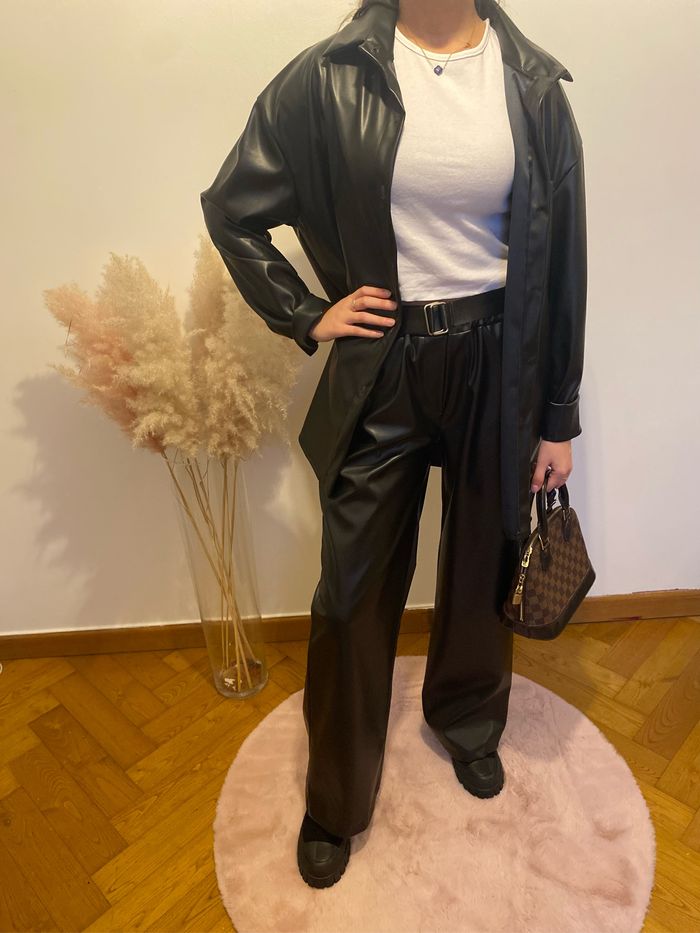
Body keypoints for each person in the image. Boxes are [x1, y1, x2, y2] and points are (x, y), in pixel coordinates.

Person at [201, 0, 587, 890]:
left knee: (485, 555)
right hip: (385, 356)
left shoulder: (532, 83)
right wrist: (306, 313)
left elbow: (564, 256)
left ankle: (468, 717)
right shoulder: (329, 75)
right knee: (352, 588)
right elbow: (233, 208)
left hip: (501, 356)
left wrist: (558, 413)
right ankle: (337, 794)